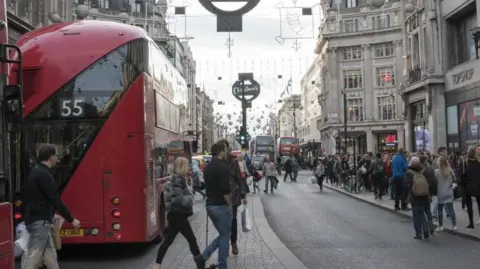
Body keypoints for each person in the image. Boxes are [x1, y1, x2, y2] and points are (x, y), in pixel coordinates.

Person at [23, 145, 81, 269]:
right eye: (56, 155)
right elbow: (54, 199)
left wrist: (50, 215)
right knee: (34, 257)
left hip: (39, 219)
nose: (57, 158)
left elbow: (36, 198)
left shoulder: (35, 172)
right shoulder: (44, 175)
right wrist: (71, 219)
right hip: (40, 221)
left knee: (50, 257)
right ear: (50, 158)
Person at [155, 157, 204, 269]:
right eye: (187, 165)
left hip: (174, 215)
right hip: (178, 215)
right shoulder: (178, 180)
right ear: (182, 167)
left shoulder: (178, 179)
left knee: (168, 241)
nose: (189, 167)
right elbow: (176, 199)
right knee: (191, 239)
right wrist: (190, 199)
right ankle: (201, 265)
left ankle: (157, 265)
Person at [195, 142, 232, 269]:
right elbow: (225, 190)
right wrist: (230, 204)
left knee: (223, 234)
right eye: (226, 150)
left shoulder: (207, 167)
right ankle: (222, 265)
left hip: (210, 206)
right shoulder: (223, 167)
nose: (227, 152)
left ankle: (203, 257)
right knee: (225, 236)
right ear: (221, 152)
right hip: (221, 206)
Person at [403, 156, 436, 240]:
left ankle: (419, 233)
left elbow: (405, 185)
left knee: (416, 216)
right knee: (422, 213)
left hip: (415, 196)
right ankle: (425, 230)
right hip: (424, 195)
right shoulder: (424, 171)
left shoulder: (409, 172)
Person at [434, 156, 457, 231]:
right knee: (451, 210)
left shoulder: (437, 172)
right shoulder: (450, 170)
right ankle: (454, 225)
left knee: (440, 210)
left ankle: (441, 226)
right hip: (449, 192)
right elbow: (455, 180)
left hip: (440, 193)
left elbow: (434, 182)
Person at [461, 146, 480, 229]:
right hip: (478, 186)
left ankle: (471, 223)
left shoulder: (465, 162)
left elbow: (463, 175)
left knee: (469, 206)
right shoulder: (478, 162)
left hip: (468, 187)